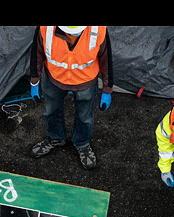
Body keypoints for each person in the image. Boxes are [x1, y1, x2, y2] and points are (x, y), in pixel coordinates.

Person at [29, 26, 113, 170]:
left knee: (85, 116)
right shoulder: (45, 28)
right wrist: (34, 80)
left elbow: (106, 59)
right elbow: (37, 52)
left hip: (85, 82)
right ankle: (55, 137)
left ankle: (82, 143)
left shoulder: (98, 29)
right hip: (53, 78)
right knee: (51, 111)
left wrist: (107, 88)